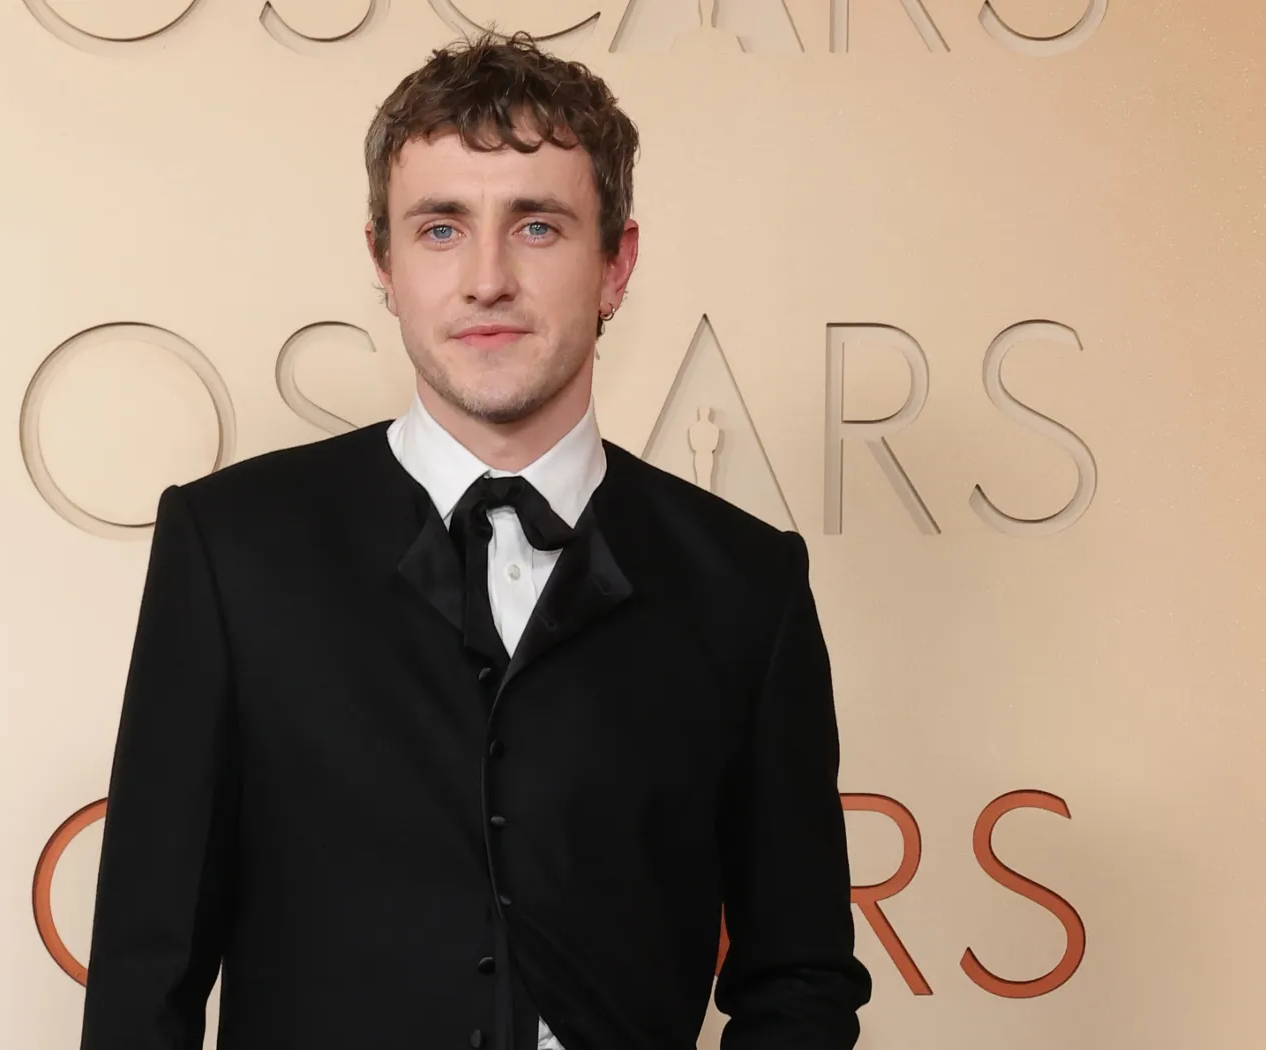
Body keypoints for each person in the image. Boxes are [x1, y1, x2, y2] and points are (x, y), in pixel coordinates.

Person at [79, 30, 871, 1050]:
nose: (486, 278)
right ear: (385, 262)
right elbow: (147, 975)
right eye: (442, 228)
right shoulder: (231, 550)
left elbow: (800, 976)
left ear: (616, 264)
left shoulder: (746, 585)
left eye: (537, 226)